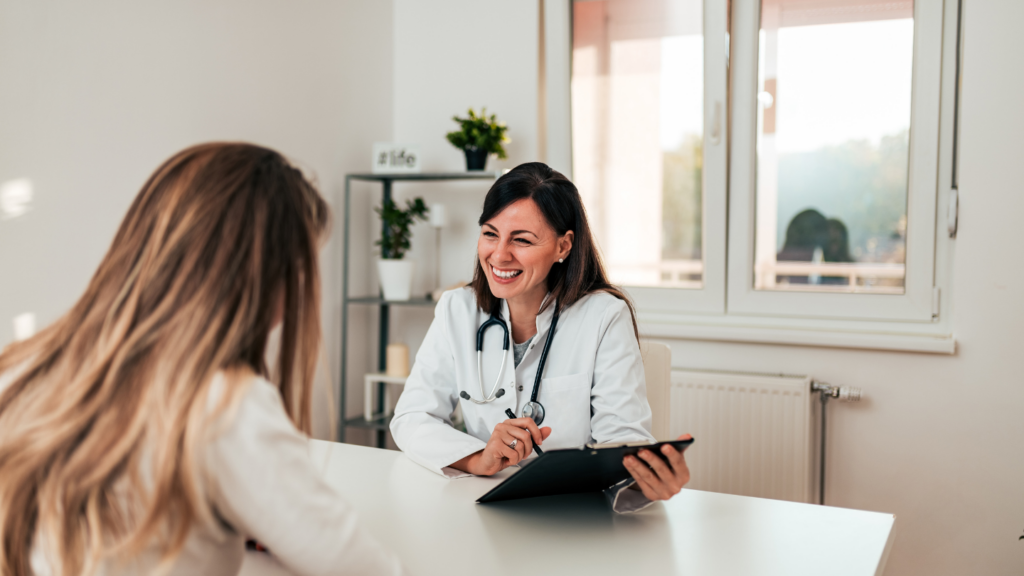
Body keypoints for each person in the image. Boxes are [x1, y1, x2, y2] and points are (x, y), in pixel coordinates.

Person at [0, 143, 403, 575]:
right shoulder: (228, 407)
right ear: (266, 277)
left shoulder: (23, 366)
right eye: (299, 270)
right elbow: (364, 569)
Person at [390, 162, 691, 512]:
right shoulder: (457, 309)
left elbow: (621, 439)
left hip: (571, 511)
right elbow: (412, 417)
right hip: (484, 506)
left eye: (521, 240)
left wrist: (647, 479)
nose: (499, 255)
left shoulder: (604, 316)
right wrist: (479, 458)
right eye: (490, 234)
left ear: (563, 246)